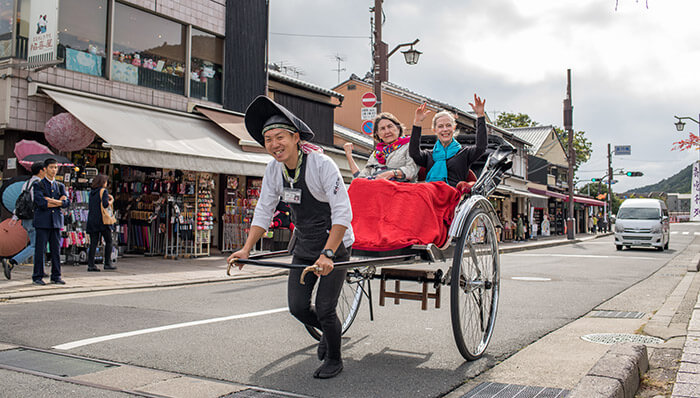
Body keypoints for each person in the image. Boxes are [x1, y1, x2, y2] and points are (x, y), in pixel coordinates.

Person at [228, 96, 354, 379]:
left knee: (325, 308)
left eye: (280, 137)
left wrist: (329, 254)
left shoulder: (322, 165)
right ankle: (328, 332)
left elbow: (342, 214)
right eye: (269, 139)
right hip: (305, 244)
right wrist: (246, 249)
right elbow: (264, 209)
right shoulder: (274, 169)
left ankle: (334, 358)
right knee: (297, 307)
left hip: (334, 246)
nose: (274, 144)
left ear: (296, 138)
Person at [409, 94, 487, 186]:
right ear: (435, 130)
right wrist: (417, 123)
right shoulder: (429, 155)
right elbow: (414, 153)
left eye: (448, 125)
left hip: (452, 194)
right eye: (440, 126)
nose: (445, 129)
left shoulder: (464, 153)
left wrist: (480, 116)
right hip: (430, 192)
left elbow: (481, 147)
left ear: (454, 128)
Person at [343, 113, 418, 182]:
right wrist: (349, 155)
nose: (387, 131)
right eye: (382, 129)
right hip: (377, 190)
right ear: (378, 134)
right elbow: (361, 177)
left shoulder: (409, 145)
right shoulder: (376, 153)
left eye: (390, 126)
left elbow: (412, 170)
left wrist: (393, 173)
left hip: (400, 189)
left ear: (398, 128)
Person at [2, 161, 46, 280]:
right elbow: (39, 202)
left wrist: (15, 217)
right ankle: (12, 262)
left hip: (26, 218)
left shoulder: (26, 183)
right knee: (36, 245)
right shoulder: (38, 184)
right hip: (35, 218)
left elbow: (21, 201)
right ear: (41, 171)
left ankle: (40, 269)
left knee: (38, 244)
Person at [31, 158, 70, 285]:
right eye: (51, 167)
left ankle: (56, 275)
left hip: (56, 221)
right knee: (40, 249)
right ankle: (37, 276)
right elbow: (41, 203)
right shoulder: (38, 184)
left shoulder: (60, 185)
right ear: (45, 169)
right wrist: (58, 202)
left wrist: (54, 201)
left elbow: (66, 203)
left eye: (55, 167)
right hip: (42, 221)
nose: (54, 170)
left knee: (56, 250)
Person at [86, 174, 116, 272]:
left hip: (92, 220)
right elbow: (105, 204)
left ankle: (91, 264)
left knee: (93, 243)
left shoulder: (92, 192)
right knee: (108, 241)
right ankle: (107, 262)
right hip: (102, 221)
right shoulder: (104, 191)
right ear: (103, 182)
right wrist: (111, 200)